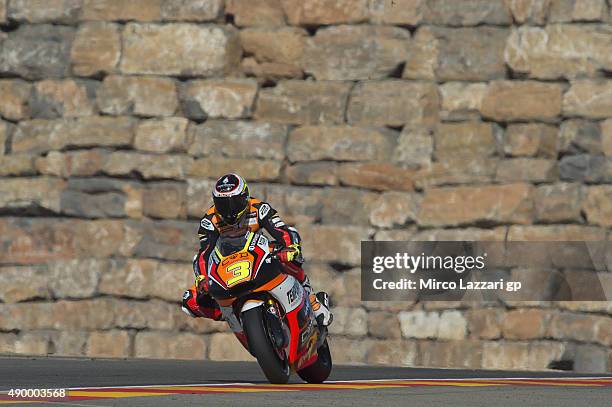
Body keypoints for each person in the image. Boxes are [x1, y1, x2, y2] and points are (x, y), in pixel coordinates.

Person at [181, 173, 333, 327]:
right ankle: (229, 313)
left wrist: (292, 248)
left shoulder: (259, 208)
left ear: (245, 197)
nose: (229, 210)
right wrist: (202, 278)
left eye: (234, 202)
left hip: (257, 254)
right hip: (226, 265)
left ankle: (313, 301)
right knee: (189, 301)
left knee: (290, 254)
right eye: (223, 204)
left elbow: (282, 230)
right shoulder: (209, 220)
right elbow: (205, 252)